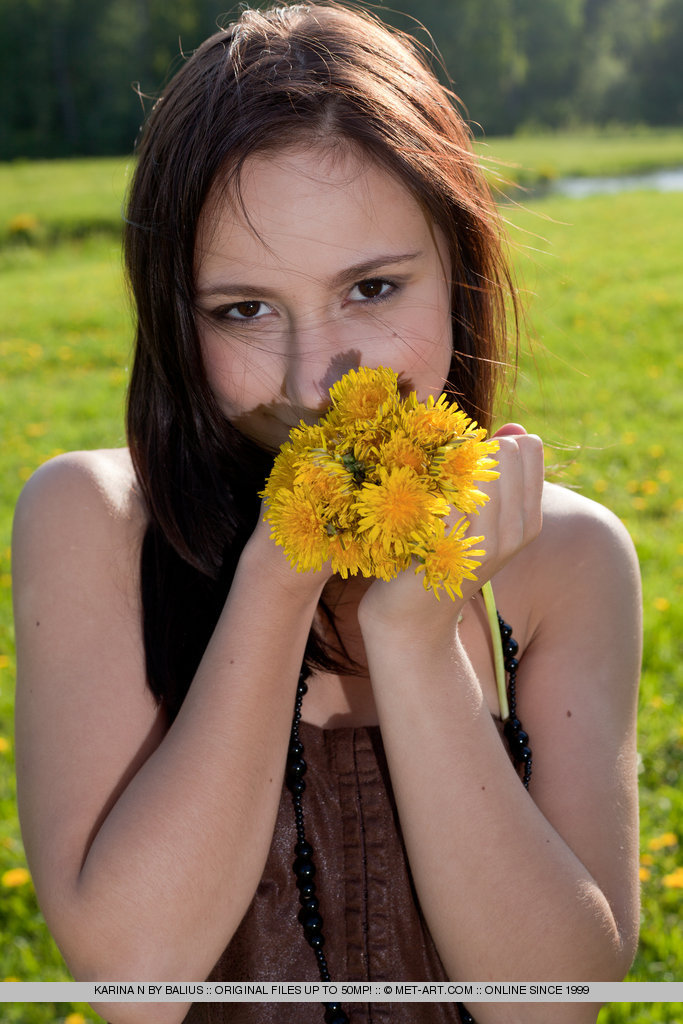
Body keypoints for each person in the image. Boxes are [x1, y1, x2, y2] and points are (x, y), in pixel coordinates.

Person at [12, 4, 642, 1024]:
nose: (318, 378)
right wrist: (278, 567)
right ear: (174, 317)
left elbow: (547, 1002)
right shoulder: (98, 522)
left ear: (458, 270)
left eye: (373, 286)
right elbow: (138, 974)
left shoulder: (562, 558)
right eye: (244, 309)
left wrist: (411, 633)